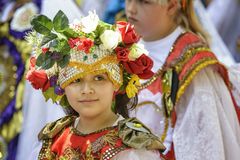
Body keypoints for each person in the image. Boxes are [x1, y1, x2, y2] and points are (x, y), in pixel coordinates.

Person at [25, 10, 166, 159]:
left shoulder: (134, 148)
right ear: (62, 87)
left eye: (99, 78)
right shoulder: (53, 140)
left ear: (117, 83)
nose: (87, 90)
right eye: (76, 80)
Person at [125, 0, 240, 159]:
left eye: (145, 2)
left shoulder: (193, 68)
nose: (131, 9)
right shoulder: (122, 43)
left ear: (172, 6)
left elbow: (203, 148)